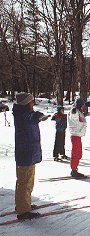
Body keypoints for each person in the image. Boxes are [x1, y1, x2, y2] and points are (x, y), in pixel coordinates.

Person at [12, 92, 50, 220]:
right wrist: (39, 117)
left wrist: (39, 116)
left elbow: (32, 116)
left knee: (27, 181)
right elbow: (31, 118)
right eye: (31, 101)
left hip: (29, 152)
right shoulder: (22, 115)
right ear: (26, 103)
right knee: (24, 182)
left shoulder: (24, 113)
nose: (33, 103)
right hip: (25, 153)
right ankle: (23, 211)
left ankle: (23, 204)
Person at [68, 98, 87, 178]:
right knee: (76, 153)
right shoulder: (75, 111)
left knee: (78, 154)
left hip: (77, 135)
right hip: (75, 135)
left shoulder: (79, 112)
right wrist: (74, 109)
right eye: (82, 105)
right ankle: (74, 171)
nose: (83, 107)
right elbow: (73, 114)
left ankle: (74, 169)